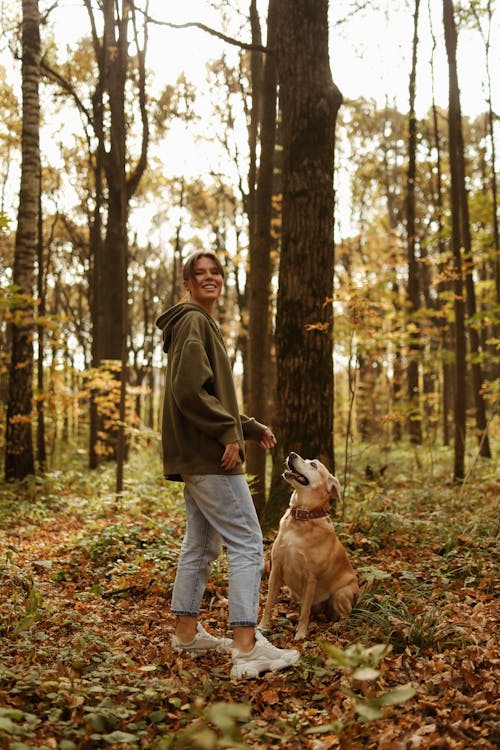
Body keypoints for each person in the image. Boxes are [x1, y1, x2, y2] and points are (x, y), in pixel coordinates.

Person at [156, 250, 299, 679]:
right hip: (211, 456)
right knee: (248, 541)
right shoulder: (195, 322)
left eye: (214, 272)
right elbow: (189, 392)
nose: (208, 278)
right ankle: (246, 646)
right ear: (187, 283)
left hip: (201, 453)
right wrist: (227, 432)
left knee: (200, 544)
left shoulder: (195, 324)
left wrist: (248, 427)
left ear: (222, 279)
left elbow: (205, 395)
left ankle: (185, 633)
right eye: (198, 274)